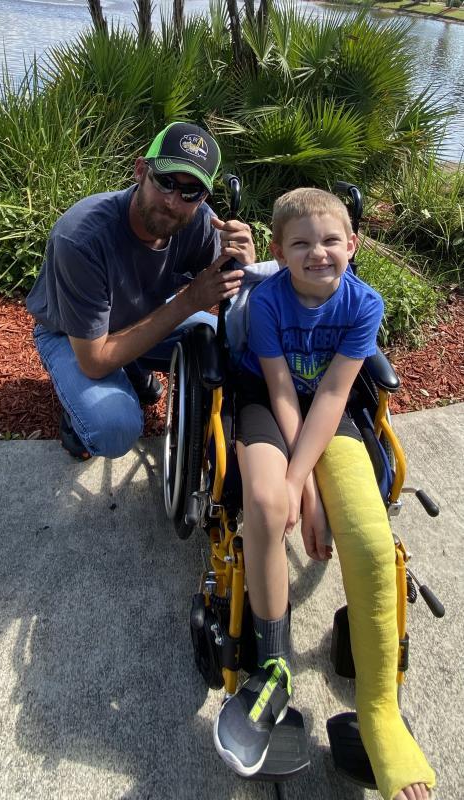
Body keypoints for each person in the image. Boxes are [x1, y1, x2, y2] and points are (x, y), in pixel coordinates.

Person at [214, 188, 436, 800]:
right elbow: (282, 391)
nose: (318, 253)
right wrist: (301, 488)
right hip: (269, 403)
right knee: (266, 504)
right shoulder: (267, 302)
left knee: (367, 534)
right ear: (279, 251)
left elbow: (334, 395)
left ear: (353, 245)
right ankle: (273, 664)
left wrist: (308, 485)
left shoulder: (364, 304)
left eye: (331, 240)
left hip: (330, 414)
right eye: (302, 244)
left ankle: (380, 713)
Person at [26, 121, 255, 459]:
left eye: (190, 192)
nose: (173, 202)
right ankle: (79, 417)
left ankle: (131, 366)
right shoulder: (81, 237)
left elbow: (239, 309)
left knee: (232, 347)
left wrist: (246, 265)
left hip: (142, 314)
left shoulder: (200, 223)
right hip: (70, 336)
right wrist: (190, 300)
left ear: (203, 197)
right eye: (165, 181)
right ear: (140, 170)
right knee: (113, 427)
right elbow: (94, 360)